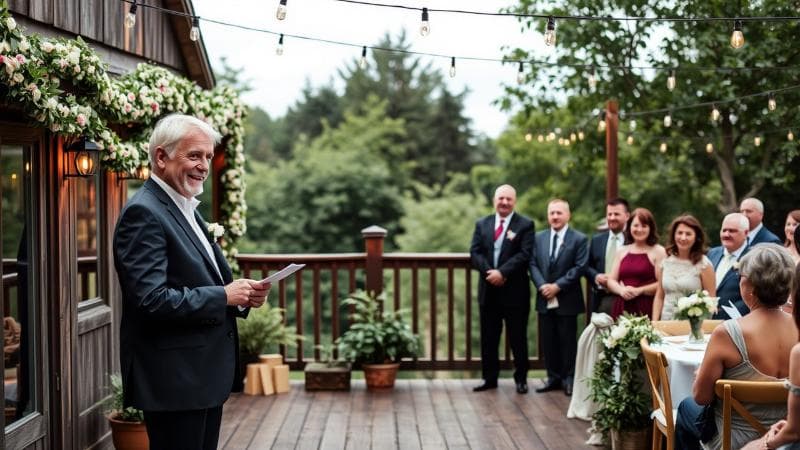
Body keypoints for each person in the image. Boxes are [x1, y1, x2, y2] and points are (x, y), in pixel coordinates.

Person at [113, 114, 270, 450]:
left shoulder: (183, 205)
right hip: (175, 379)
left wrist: (241, 296)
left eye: (208, 157)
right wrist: (223, 296)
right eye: (194, 156)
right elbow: (151, 300)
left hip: (199, 376)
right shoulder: (144, 213)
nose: (203, 166)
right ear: (161, 157)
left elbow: (199, 277)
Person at [674, 244, 796, 450]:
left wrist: (701, 377)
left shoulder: (728, 333)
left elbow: (701, 397)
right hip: (787, 436)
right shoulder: (798, 328)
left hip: (734, 439)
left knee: (686, 406)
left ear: (751, 287)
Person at [469, 184, 535, 394]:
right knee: (489, 337)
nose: (504, 202)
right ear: (494, 200)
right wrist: (491, 272)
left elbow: (525, 254)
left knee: (517, 337)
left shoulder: (525, 225)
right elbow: (475, 251)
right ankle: (489, 379)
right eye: (501, 199)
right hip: (488, 290)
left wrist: (503, 273)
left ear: (514, 201)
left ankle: (521, 379)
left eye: (508, 199)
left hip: (515, 292)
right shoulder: (482, 224)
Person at [530, 199, 588, 397]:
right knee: (548, 340)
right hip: (544, 297)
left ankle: (569, 379)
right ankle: (553, 378)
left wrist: (557, 286)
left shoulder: (579, 239)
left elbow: (579, 267)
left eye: (559, 213)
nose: (555, 216)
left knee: (568, 341)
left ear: (568, 215)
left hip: (567, 298)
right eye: (552, 213)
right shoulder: (539, 238)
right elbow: (532, 264)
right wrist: (542, 286)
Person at [741, 263, 800, 450]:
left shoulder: (799, 353)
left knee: (687, 409)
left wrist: (764, 443)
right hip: (785, 424)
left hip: (738, 428)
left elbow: (701, 396)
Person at [652, 214, 716, 320]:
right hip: (666, 323)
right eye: (680, 233)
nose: (683, 237)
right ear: (674, 235)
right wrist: (654, 322)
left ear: (696, 237)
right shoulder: (666, 262)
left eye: (688, 234)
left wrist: (699, 328)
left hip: (692, 326)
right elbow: (659, 296)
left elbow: (711, 301)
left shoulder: (704, 265)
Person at [606, 208, 666, 319]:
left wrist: (639, 290)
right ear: (629, 227)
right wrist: (621, 290)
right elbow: (611, 280)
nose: (639, 229)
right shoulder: (622, 250)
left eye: (644, 226)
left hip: (646, 307)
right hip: (622, 307)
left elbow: (662, 284)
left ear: (650, 228)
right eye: (636, 225)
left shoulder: (658, 251)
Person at [586, 198, 630, 315]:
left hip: (626, 299)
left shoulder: (632, 240)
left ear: (627, 216)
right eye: (609, 214)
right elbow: (587, 266)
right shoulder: (597, 240)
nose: (612, 218)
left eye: (616, 214)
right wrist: (596, 276)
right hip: (600, 299)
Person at [709, 213, 751, 320]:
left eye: (732, 231)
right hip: (707, 321)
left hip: (737, 322)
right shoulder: (712, 253)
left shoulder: (753, 257)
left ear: (746, 233)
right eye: (724, 230)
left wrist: (725, 313)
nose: (726, 234)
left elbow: (754, 293)